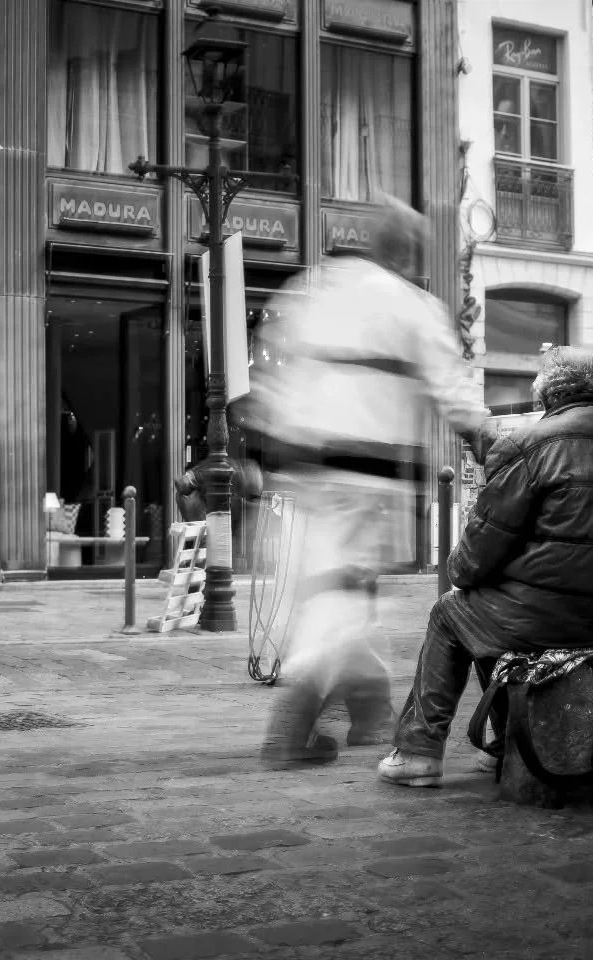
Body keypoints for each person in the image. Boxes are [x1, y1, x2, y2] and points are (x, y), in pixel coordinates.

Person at [247, 196, 490, 765]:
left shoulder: (314, 286)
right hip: (369, 473)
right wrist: (487, 439)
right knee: (342, 593)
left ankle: (369, 712)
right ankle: (296, 722)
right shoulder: (412, 305)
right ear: (409, 254)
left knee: (338, 586)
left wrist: (269, 450)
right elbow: (453, 392)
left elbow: (272, 368)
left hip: (304, 465)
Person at [378, 346, 593, 786]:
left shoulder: (530, 447)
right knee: (487, 615)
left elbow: (471, 563)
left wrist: (465, 571)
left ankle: (418, 751)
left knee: (452, 613)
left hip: (549, 619)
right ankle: (500, 746)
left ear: (545, 397)